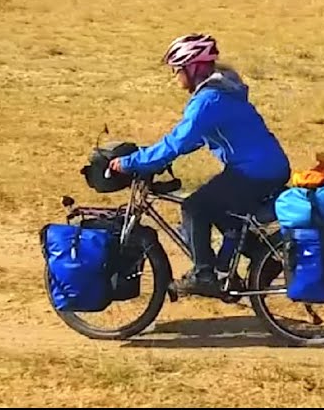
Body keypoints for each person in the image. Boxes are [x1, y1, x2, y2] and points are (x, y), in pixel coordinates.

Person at [108, 34, 292, 297]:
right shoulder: (222, 91)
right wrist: (153, 156)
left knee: (194, 207)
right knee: (222, 210)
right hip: (265, 166)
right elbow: (195, 138)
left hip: (255, 172)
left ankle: (204, 275)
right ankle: (259, 261)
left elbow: (178, 141)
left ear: (193, 68)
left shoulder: (209, 100)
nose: (175, 76)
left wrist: (132, 162)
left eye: (177, 70)